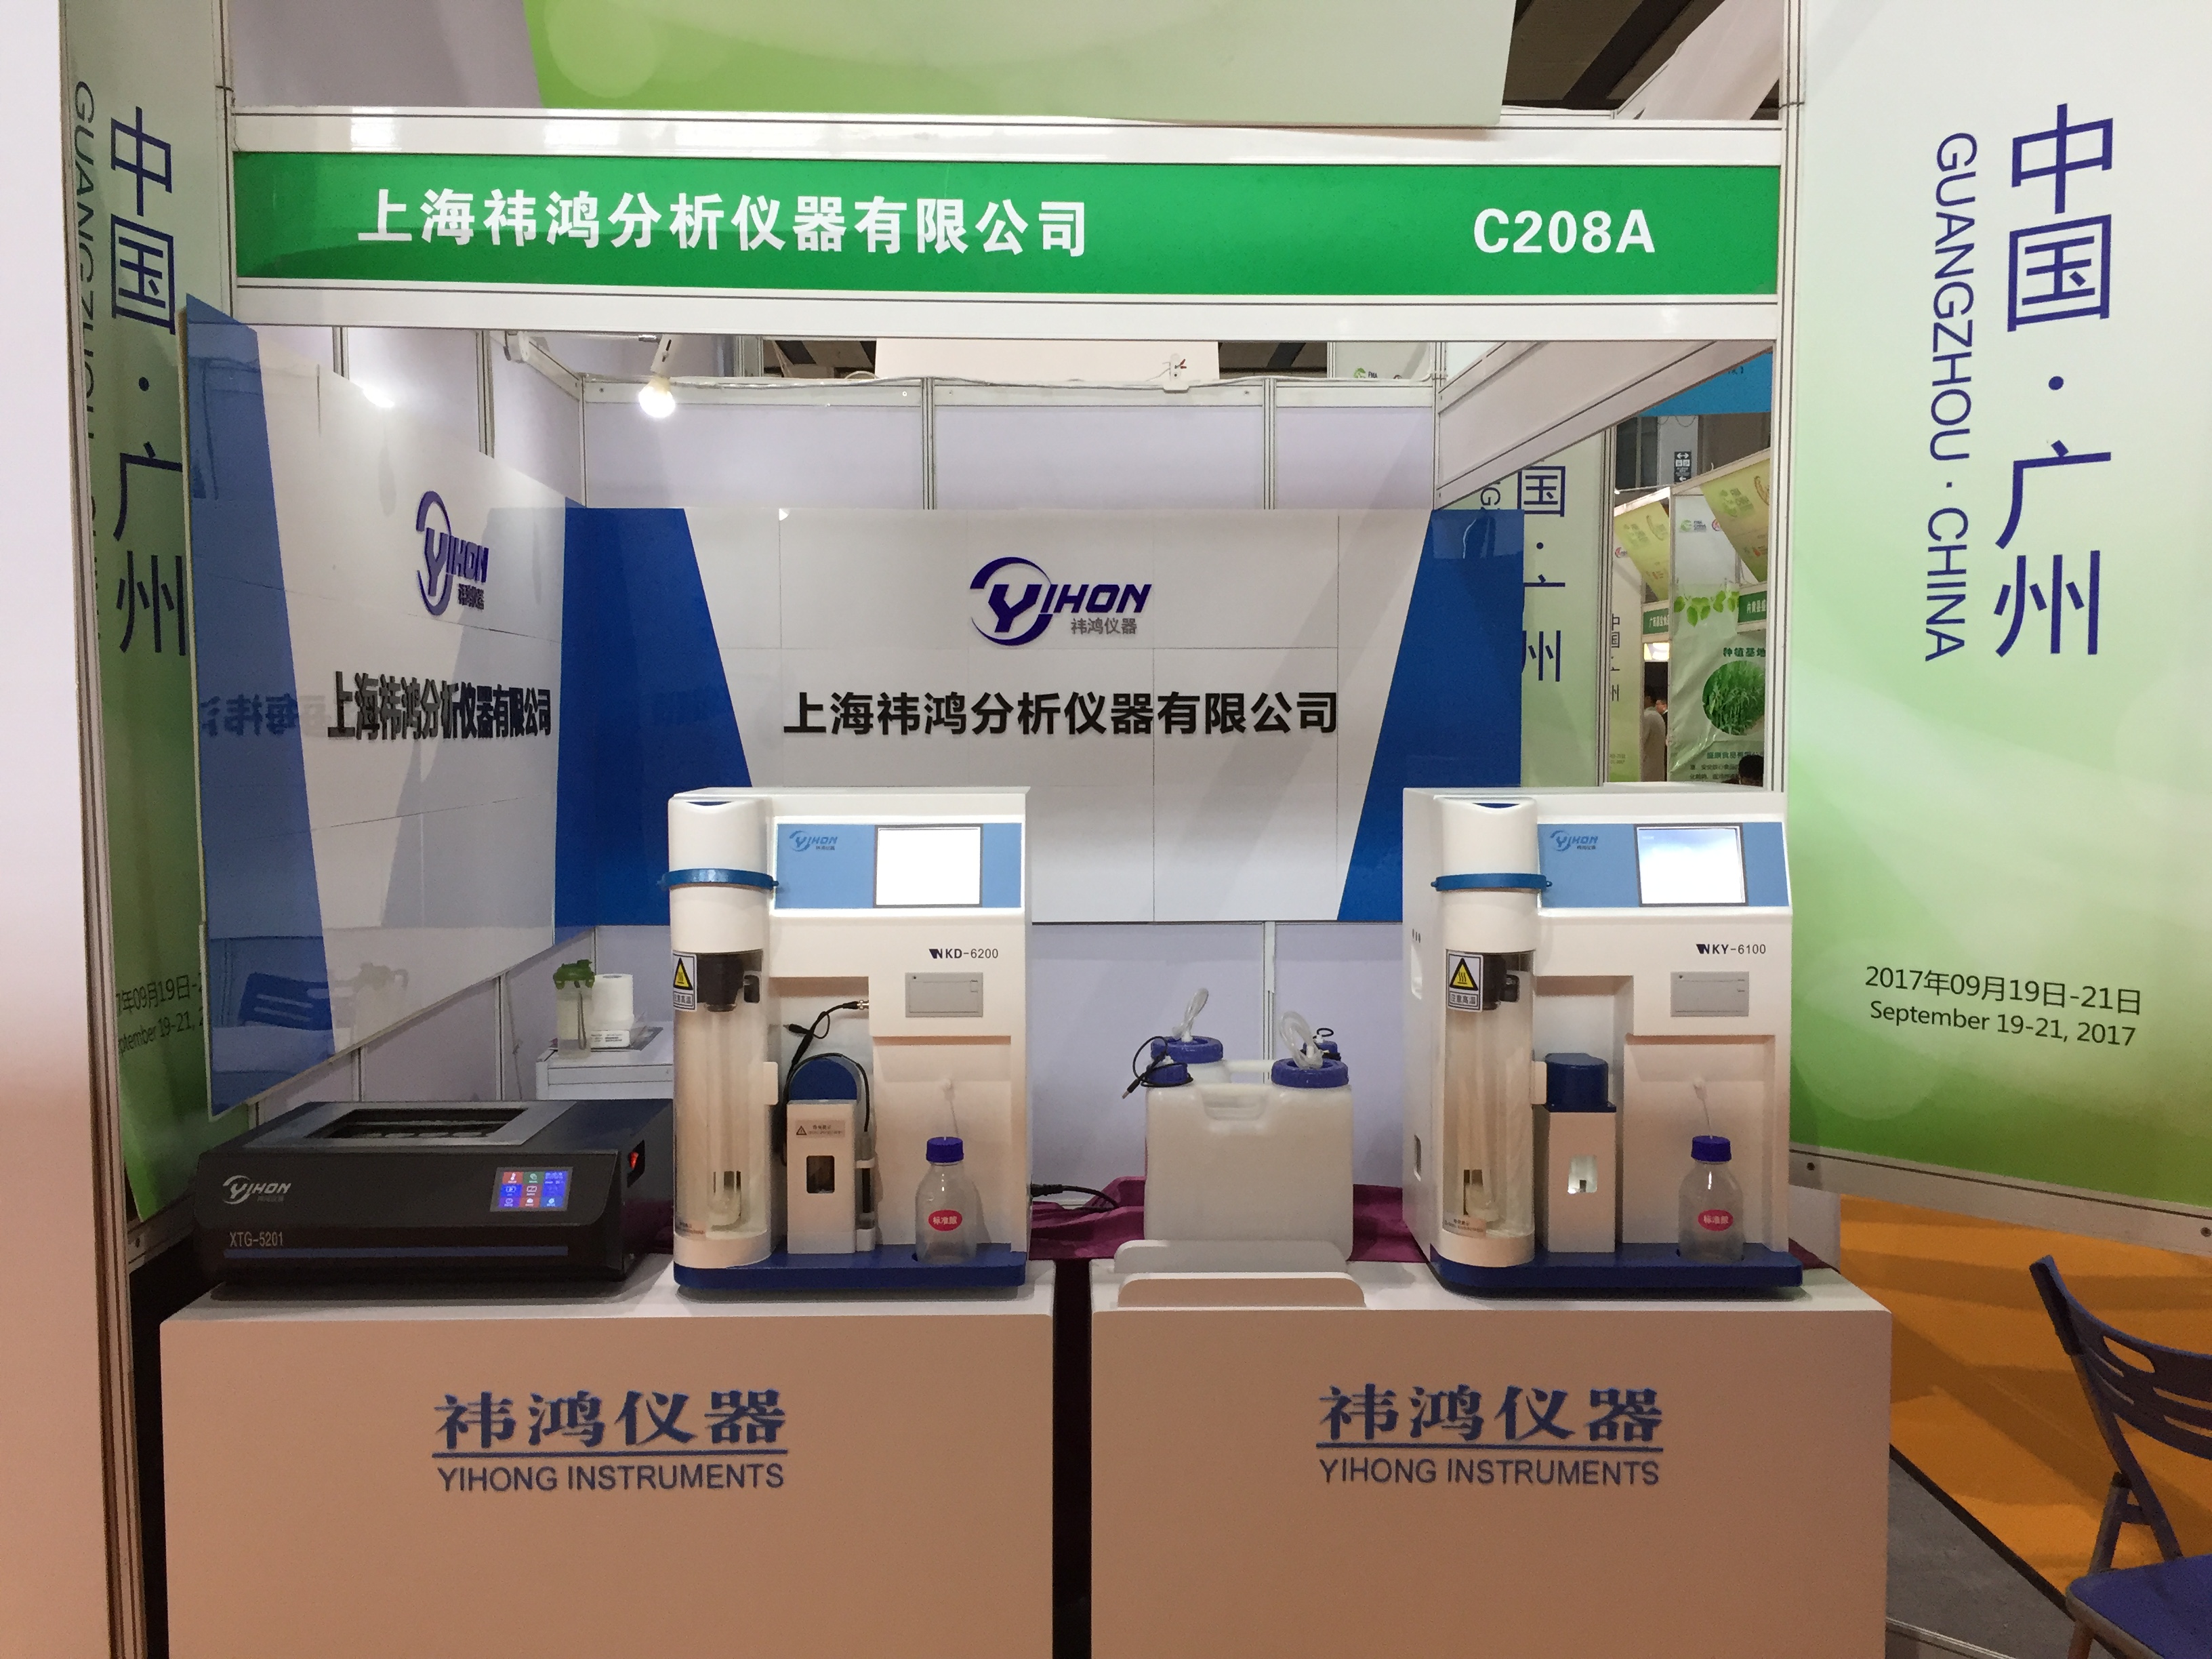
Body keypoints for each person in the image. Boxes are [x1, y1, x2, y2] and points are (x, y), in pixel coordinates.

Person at [1640, 662, 1668, 781]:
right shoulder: (1657, 716)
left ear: (1648, 698)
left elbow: (1639, 743)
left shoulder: (1647, 717)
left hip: (1646, 772)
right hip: (1657, 771)